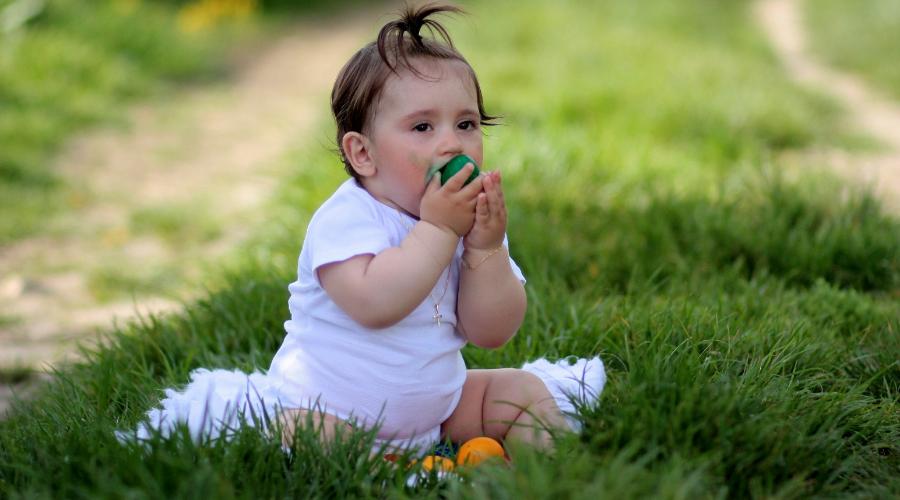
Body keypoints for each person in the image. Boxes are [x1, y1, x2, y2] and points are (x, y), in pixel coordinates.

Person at [122, 3, 605, 456]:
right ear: (363, 154)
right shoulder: (347, 219)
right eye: (422, 128)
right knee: (310, 433)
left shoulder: (465, 219)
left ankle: (544, 472)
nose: (450, 143)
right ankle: (391, 471)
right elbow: (375, 304)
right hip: (331, 407)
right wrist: (438, 231)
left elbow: (492, 331)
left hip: (437, 411)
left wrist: (486, 247)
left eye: (466, 124)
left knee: (520, 390)